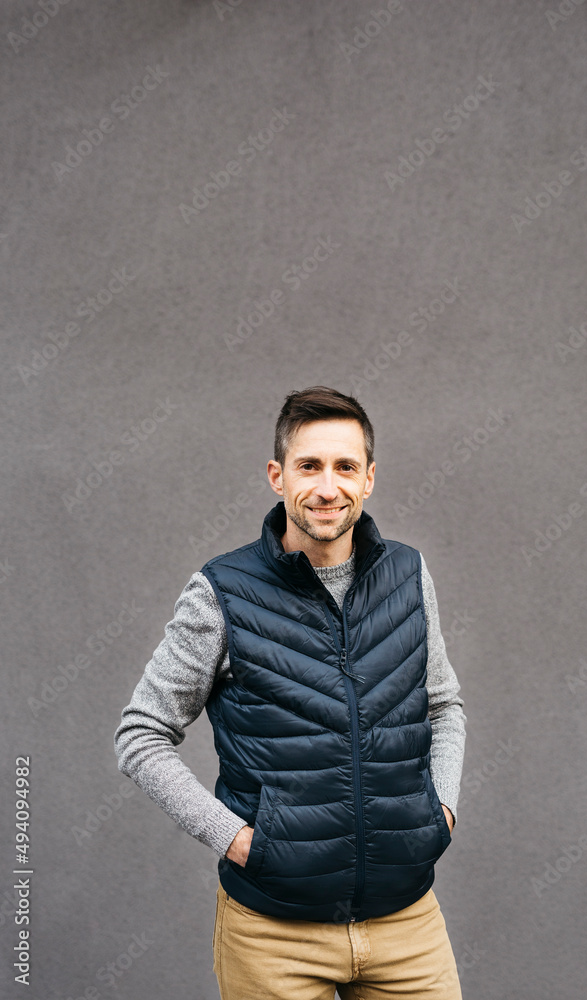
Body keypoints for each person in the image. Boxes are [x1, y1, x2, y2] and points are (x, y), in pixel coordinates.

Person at [114, 385, 467, 999]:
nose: (327, 487)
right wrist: (240, 841)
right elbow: (141, 735)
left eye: (344, 467)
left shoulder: (408, 574)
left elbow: (443, 706)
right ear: (277, 476)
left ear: (370, 478)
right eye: (309, 466)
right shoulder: (222, 591)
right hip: (272, 934)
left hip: (406, 922)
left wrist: (439, 816)